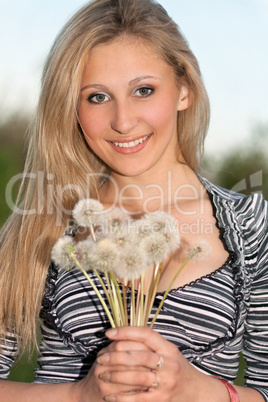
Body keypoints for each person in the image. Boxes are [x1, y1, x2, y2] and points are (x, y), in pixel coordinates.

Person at [0, 0, 267, 400]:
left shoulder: (251, 224)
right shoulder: (43, 224)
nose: (123, 121)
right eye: (97, 97)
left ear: (184, 89)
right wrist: (79, 395)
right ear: (72, 108)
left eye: (144, 90)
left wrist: (197, 390)